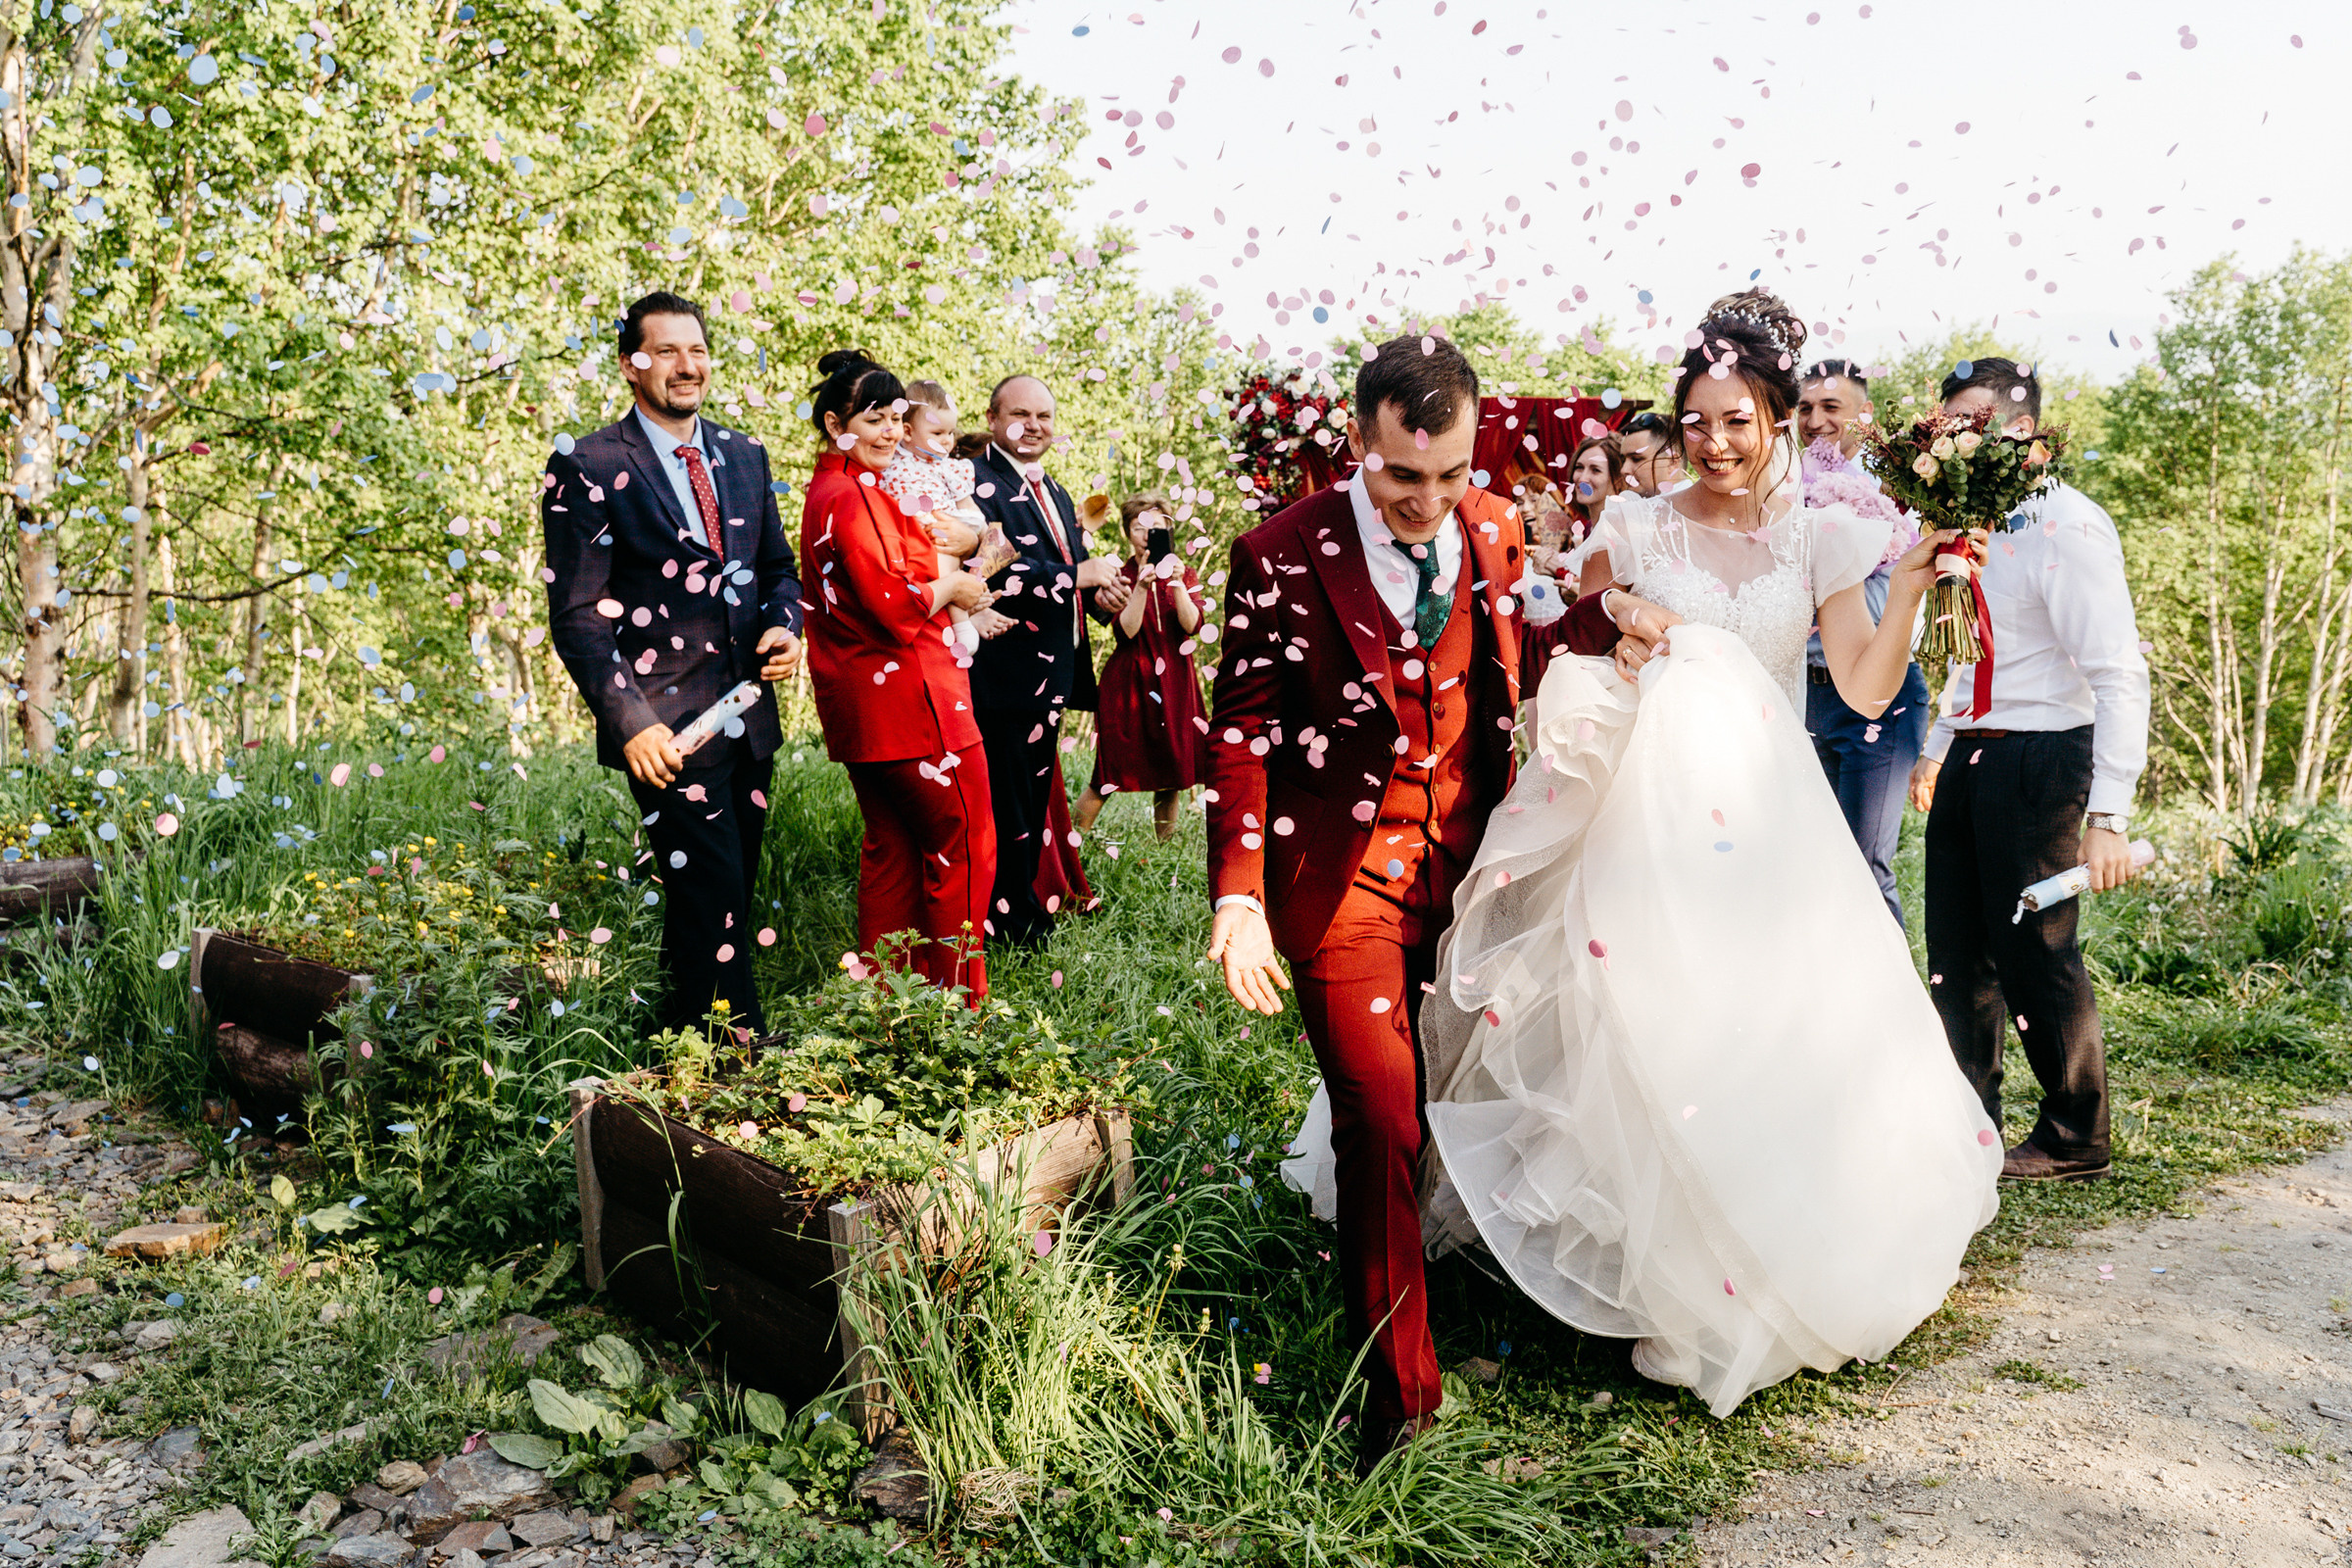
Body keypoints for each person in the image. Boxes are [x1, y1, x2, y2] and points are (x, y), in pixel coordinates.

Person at [1353, 289, 2003, 1420]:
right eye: (1698, 420)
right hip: (1639, 810)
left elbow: (1855, 682)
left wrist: (1910, 583)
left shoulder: (1828, 536)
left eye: (1739, 420)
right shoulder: (1638, 527)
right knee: (1637, 1025)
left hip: (1764, 815)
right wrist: (1615, 658)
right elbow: (1554, 635)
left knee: (1760, 1038)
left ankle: (1744, 1275)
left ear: (1779, 420)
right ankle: (1644, 1273)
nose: (1715, 442)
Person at [1207, 334, 1625, 1471]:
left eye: (1450, 476)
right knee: (1379, 1116)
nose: (1428, 502)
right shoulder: (1278, 554)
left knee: (1472, 1090)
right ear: (1358, 445)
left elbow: (1533, 647)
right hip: (1337, 879)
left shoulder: (1492, 528)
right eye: (1404, 478)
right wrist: (1237, 895)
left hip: (1473, 865)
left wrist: (1628, 621)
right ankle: (1400, 1402)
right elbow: (1240, 727)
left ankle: (1497, 1290)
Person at [1910, 357, 2150, 1184]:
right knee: (1955, 950)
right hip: (1976, 750)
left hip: (2043, 756)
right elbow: (1973, 648)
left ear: (2021, 430)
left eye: (1969, 423)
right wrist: (1939, 748)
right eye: (1946, 426)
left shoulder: (2067, 526)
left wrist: (2109, 814)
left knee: (2036, 953)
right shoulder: (1969, 524)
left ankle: (2076, 1132)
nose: (1952, 439)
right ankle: (1967, 1123)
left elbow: (2118, 671)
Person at [542, 290, 805, 1035]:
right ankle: (743, 1056)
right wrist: (630, 725)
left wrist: (786, 628)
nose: (685, 366)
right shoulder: (587, 464)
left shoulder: (745, 455)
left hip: (749, 717)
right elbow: (579, 616)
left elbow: (779, 571)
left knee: (723, 891)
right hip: (664, 732)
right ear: (632, 364)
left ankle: (685, 1044)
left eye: (695, 350)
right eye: (665, 351)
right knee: (713, 886)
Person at [799, 352, 999, 999]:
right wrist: (957, 589)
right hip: (916, 703)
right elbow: (896, 601)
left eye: (894, 418)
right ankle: (959, 1009)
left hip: (867, 711)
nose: (888, 432)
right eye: (873, 419)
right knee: (964, 846)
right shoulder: (852, 497)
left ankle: (888, 1007)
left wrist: (960, 555)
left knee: (891, 854)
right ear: (836, 424)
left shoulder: (836, 489)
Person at [968, 375, 1131, 946]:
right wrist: (1074, 576)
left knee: (1033, 801)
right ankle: (1009, 923)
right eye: (1021, 414)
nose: (1034, 426)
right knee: (1008, 802)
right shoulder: (975, 484)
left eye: (1044, 415)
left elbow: (1075, 563)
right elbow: (991, 570)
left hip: (1053, 673)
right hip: (1002, 670)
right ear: (992, 419)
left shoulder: (1056, 491)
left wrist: (1100, 595)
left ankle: (1021, 909)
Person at [1796, 359, 1932, 925]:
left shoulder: (1900, 492)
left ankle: (1891, 1006)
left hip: (1878, 695)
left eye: (1831, 407)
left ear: (1864, 415)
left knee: (1863, 862)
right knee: (1808, 860)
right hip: (1801, 691)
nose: (1815, 420)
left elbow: (1896, 608)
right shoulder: (1782, 489)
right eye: (1804, 408)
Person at [1074, 494, 1207, 841]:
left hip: (1177, 681)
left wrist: (1176, 583)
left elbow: (1192, 625)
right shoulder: (1118, 574)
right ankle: (1074, 841)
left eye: (1156, 526)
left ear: (1168, 530)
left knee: (1173, 775)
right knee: (1107, 774)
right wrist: (1142, 586)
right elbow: (1125, 631)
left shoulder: (1186, 572)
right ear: (1127, 533)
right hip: (1129, 682)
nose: (1148, 534)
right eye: (1139, 527)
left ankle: (1164, 849)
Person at [1613, 409, 1684, 497]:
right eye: (1623, 460)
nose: (1624, 470)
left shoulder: (1693, 507)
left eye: (1636, 459)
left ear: (1672, 463)